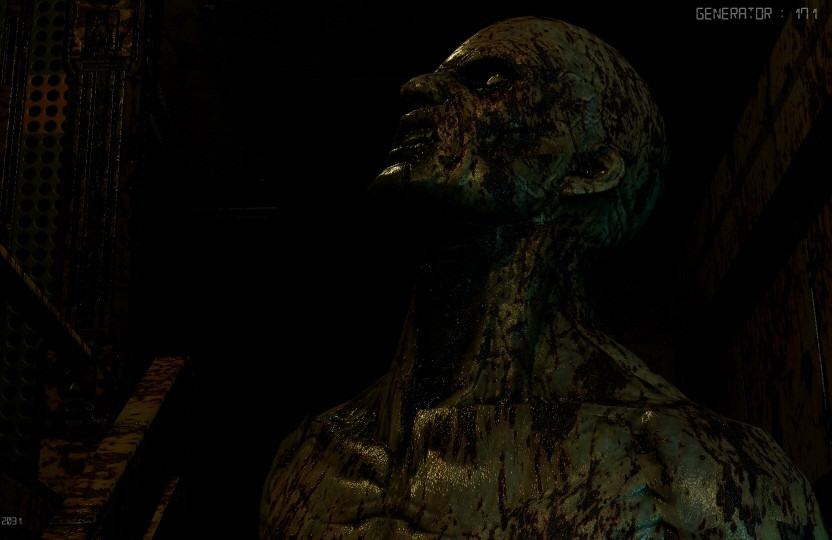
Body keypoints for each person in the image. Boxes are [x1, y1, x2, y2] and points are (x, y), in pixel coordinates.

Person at [261, 17, 828, 538]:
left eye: (489, 80)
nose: (416, 87)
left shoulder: (697, 469)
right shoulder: (310, 456)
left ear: (590, 168)